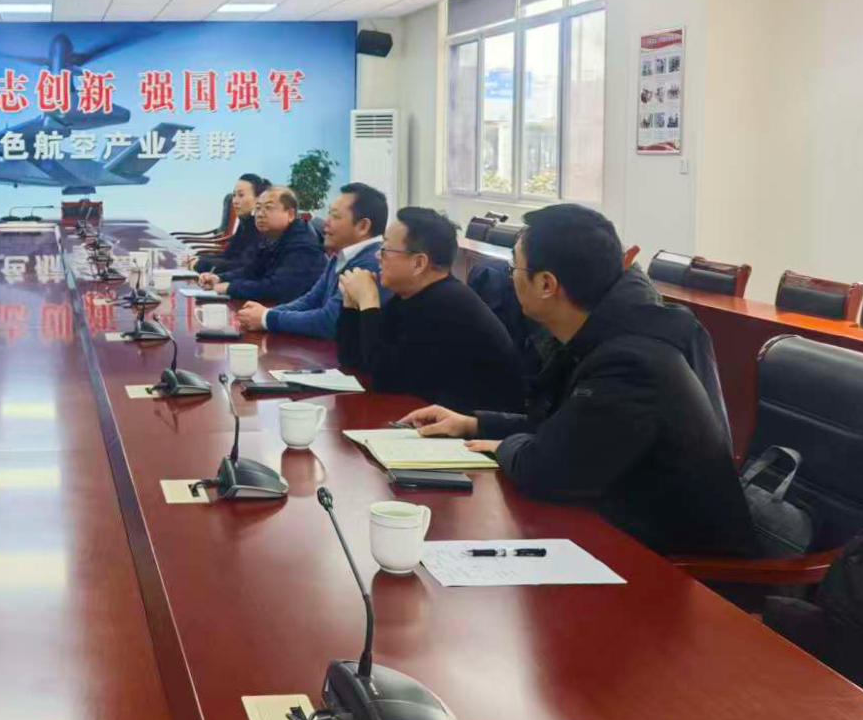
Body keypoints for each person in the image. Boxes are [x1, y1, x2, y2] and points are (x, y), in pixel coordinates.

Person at [402, 204, 755, 558]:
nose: (510, 278)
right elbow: (565, 429)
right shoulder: (609, 336)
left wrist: (504, 445)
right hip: (620, 535)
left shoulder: (631, 362)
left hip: (677, 570)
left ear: (546, 284)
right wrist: (474, 424)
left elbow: (545, 470)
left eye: (514, 268)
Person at [337, 207, 524, 412]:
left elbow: (385, 380)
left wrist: (368, 302)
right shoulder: (409, 295)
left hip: (476, 425)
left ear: (419, 263)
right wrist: (351, 304)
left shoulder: (448, 305)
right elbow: (352, 360)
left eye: (385, 249)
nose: (377, 255)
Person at [235, 182, 387, 338]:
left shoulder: (372, 263)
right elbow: (311, 300)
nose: (326, 222)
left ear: (363, 226)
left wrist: (266, 318)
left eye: (335, 216)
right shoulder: (342, 256)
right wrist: (267, 313)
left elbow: (330, 322)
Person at [203, 187, 326, 305]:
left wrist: (230, 287)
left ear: (290, 214)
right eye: (257, 208)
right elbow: (252, 271)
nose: (260, 214)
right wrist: (220, 278)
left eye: (268, 208)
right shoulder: (272, 236)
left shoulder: (303, 245)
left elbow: (277, 288)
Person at [193, 173, 268, 275]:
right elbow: (227, 256)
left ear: (258, 198)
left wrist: (200, 264)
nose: (235, 201)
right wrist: (197, 258)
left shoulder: (262, 227)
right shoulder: (246, 222)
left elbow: (242, 266)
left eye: (241, 195)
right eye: (234, 195)